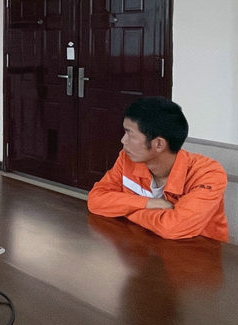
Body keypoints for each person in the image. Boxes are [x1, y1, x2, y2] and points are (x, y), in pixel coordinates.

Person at [87, 96, 228, 242]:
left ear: (159, 144)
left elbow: (173, 227)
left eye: (130, 134)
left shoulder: (208, 173)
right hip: (144, 244)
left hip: (197, 250)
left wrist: (126, 211)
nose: (123, 140)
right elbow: (95, 200)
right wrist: (148, 203)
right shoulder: (127, 159)